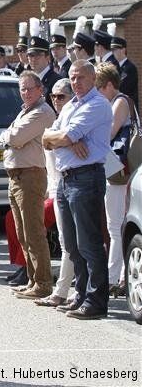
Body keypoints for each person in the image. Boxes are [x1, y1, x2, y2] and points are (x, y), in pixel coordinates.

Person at [42, 60, 112, 320]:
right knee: (71, 244)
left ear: (93, 79)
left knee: (89, 242)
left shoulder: (97, 105)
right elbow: (46, 138)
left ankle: (96, 300)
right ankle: (80, 294)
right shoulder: (71, 105)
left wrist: (65, 139)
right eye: (72, 77)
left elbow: (62, 136)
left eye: (81, 77)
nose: (75, 82)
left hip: (86, 177)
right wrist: (69, 142)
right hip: (66, 178)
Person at [0, 71, 56, 299]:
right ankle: (33, 280)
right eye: (22, 89)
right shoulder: (26, 111)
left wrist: (9, 137)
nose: (25, 93)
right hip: (16, 176)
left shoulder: (42, 112)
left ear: (40, 89)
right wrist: (10, 137)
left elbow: (15, 138)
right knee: (22, 233)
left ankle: (43, 283)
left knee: (34, 232)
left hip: (30, 176)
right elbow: (12, 136)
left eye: (30, 88)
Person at [35, 79, 76, 307]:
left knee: (72, 240)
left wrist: (55, 139)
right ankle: (66, 289)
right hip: (54, 187)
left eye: (61, 96)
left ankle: (64, 290)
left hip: (71, 185)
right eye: (53, 96)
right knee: (65, 239)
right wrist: (53, 138)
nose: (56, 100)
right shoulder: (58, 121)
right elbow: (46, 140)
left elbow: (60, 140)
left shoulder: (73, 120)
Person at [94, 64, 133, 296]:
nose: (97, 92)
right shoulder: (116, 101)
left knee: (115, 225)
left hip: (119, 169)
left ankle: (113, 277)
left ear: (109, 85)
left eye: (99, 87)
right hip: (115, 168)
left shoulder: (120, 102)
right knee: (117, 224)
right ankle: (121, 276)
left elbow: (108, 133)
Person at [26, 19, 61, 108]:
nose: (33, 59)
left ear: (47, 57)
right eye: (30, 55)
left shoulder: (56, 81)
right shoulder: (28, 81)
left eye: (38, 55)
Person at [110, 33, 139, 108]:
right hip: (118, 105)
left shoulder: (130, 68)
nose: (113, 53)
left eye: (115, 50)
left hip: (128, 107)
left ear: (123, 50)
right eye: (112, 50)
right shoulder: (115, 67)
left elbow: (122, 87)